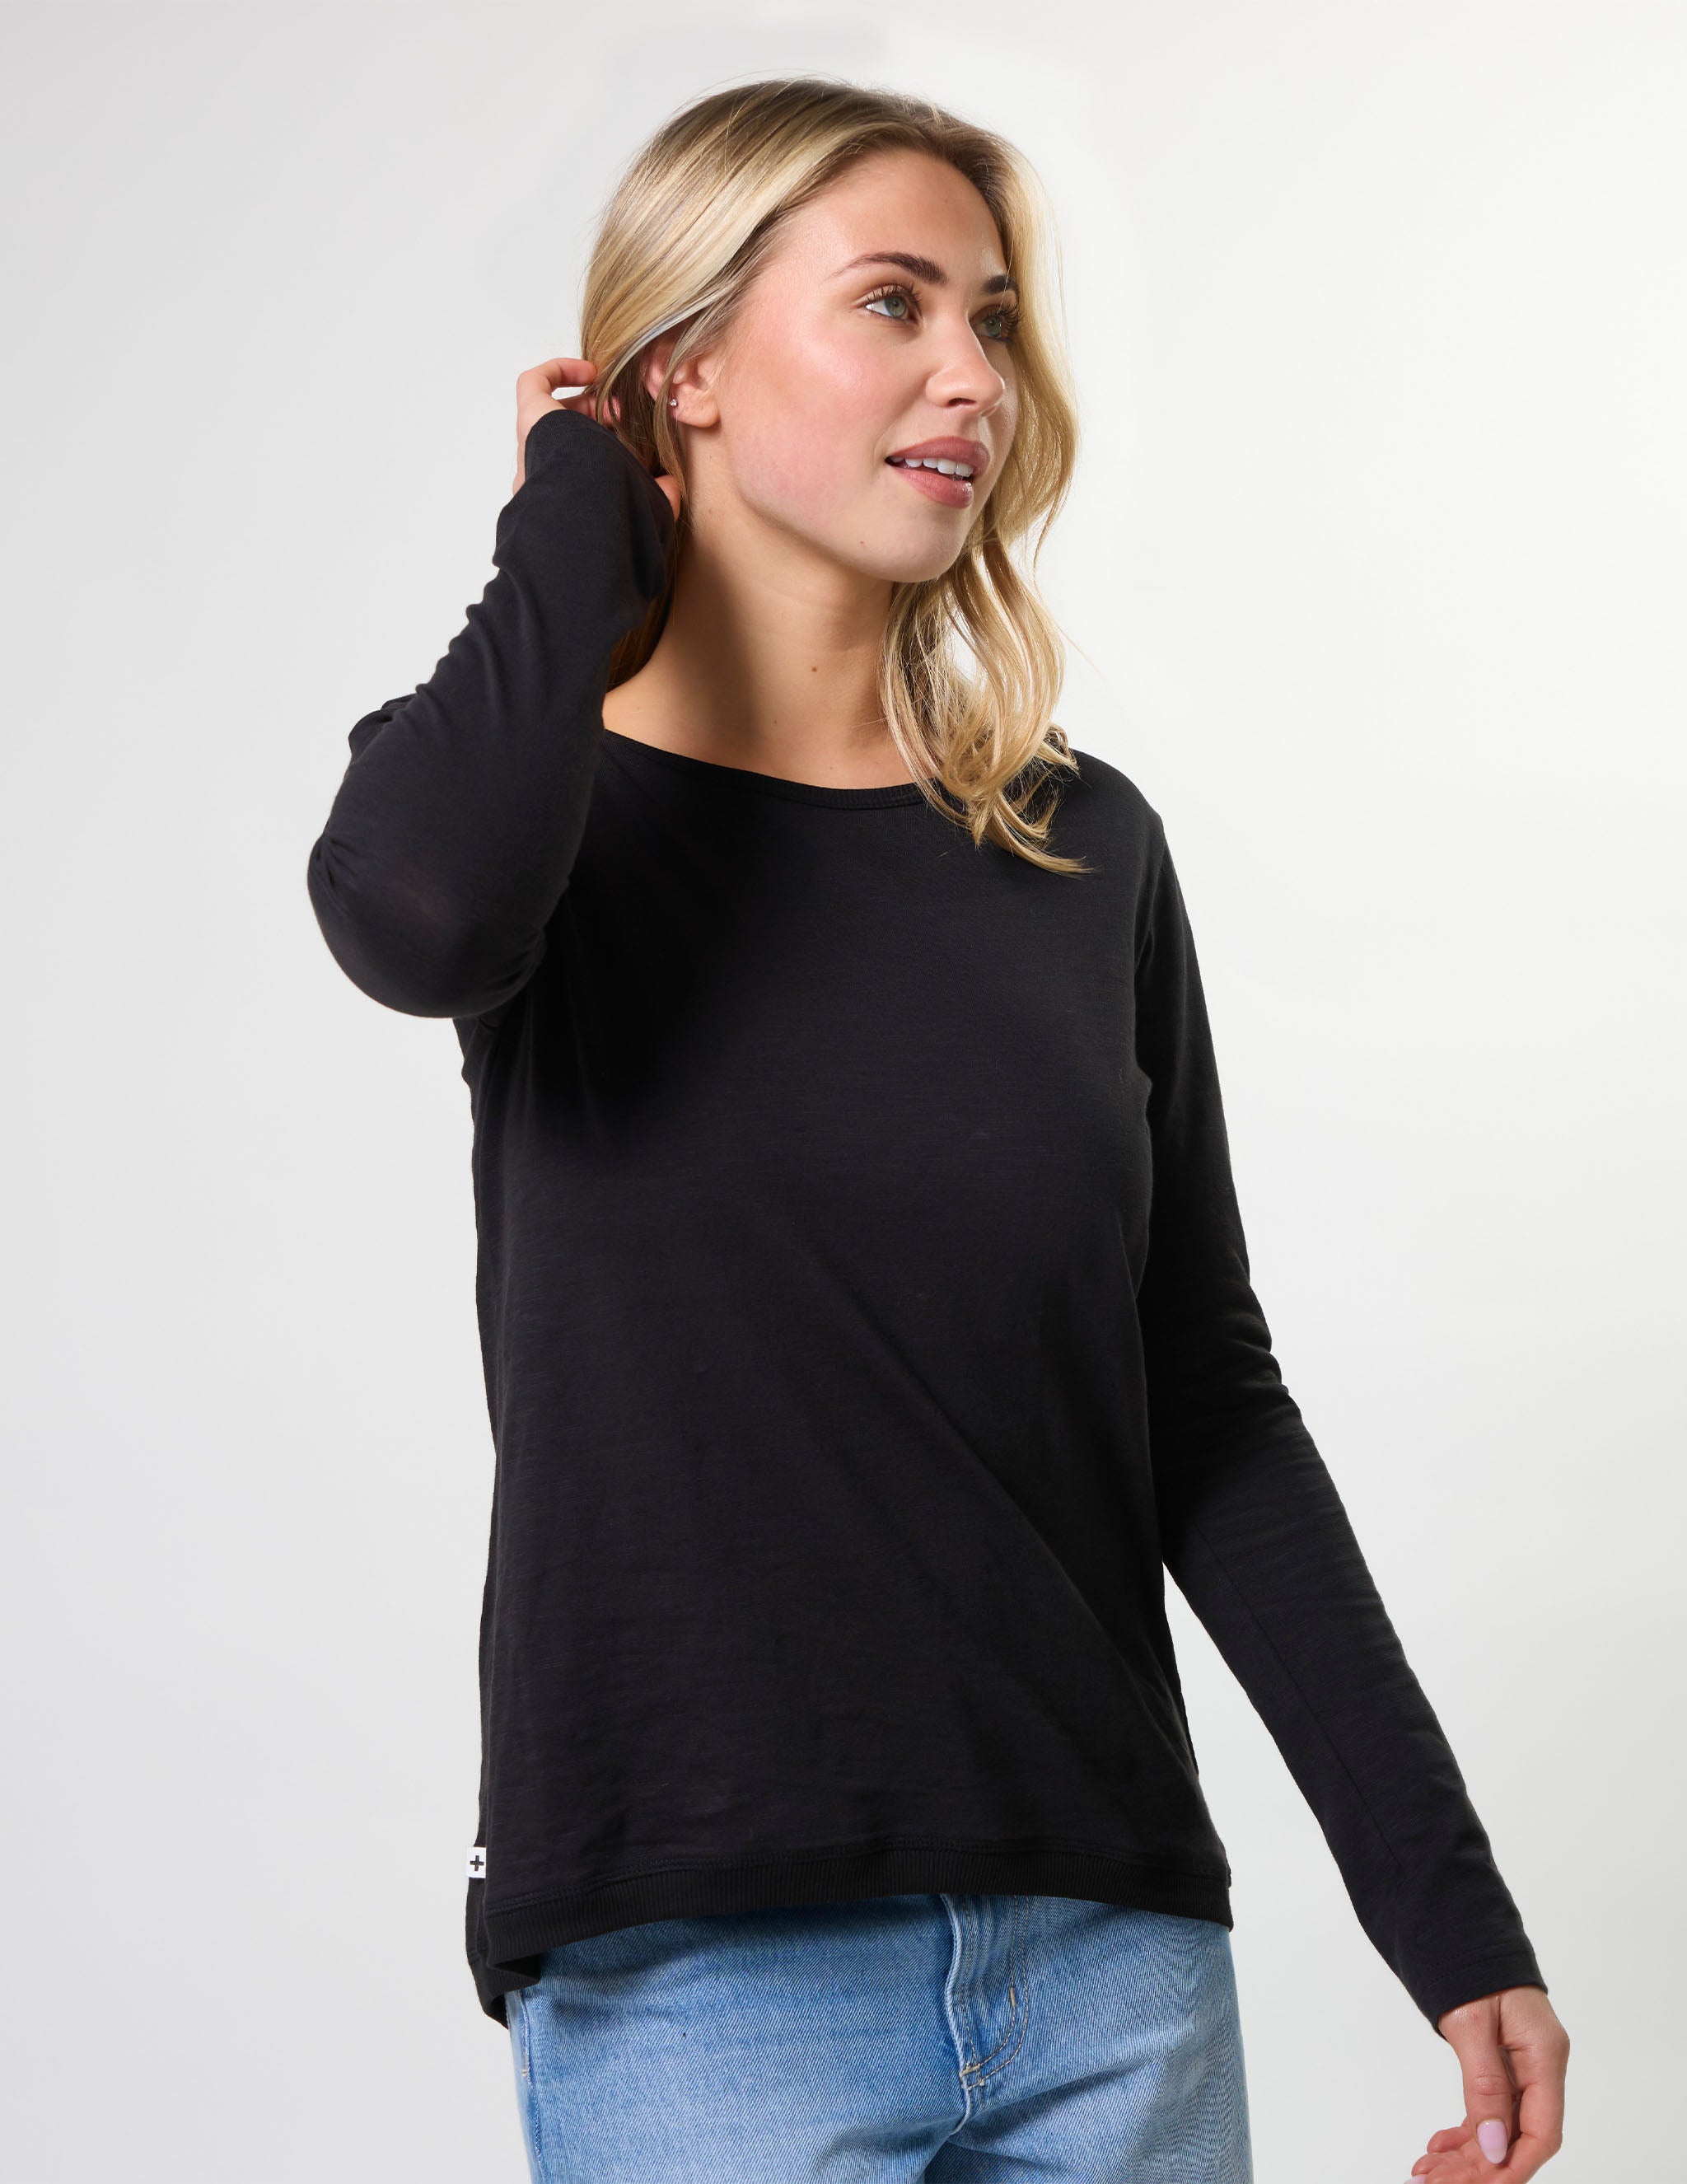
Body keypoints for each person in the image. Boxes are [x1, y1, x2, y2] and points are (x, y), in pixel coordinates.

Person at [306, 76, 1568, 2184]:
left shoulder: (1084, 850)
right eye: (892, 303)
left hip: (1111, 1964)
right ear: (686, 368)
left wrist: (1444, 1911)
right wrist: (568, 510)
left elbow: (1204, 1402)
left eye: (991, 317)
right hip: (700, 1965)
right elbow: (417, 924)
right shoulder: (535, 815)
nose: (973, 374)